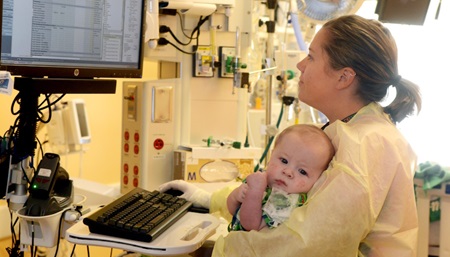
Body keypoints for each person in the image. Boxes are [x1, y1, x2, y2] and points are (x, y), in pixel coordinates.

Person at [160, 14, 421, 256]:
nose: (300, 65)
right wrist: (210, 200)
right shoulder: (357, 129)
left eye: (311, 56)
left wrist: (223, 248)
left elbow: (306, 244)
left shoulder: (364, 145)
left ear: (344, 77)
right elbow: (289, 205)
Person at [227, 124, 334, 231]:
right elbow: (233, 211)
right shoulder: (261, 178)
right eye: (284, 161)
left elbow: (251, 226)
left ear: (317, 180)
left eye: (302, 171)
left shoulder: (287, 201)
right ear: (271, 155)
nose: (288, 172)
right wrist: (236, 196)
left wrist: (254, 193)